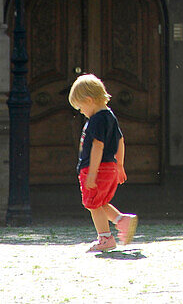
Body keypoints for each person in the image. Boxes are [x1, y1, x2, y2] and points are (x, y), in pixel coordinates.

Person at [68, 73, 138, 253]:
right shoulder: (110, 116)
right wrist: (120, 165)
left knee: (93, 204)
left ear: (89, 100)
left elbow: (97, 146)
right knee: (100, 202)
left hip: (97, 169)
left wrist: (92, 173)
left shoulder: (97, 119)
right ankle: (122, 220)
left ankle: (105, 238)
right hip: (110, 167)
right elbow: (120, 141)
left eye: (81, 107)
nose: (81, 111)